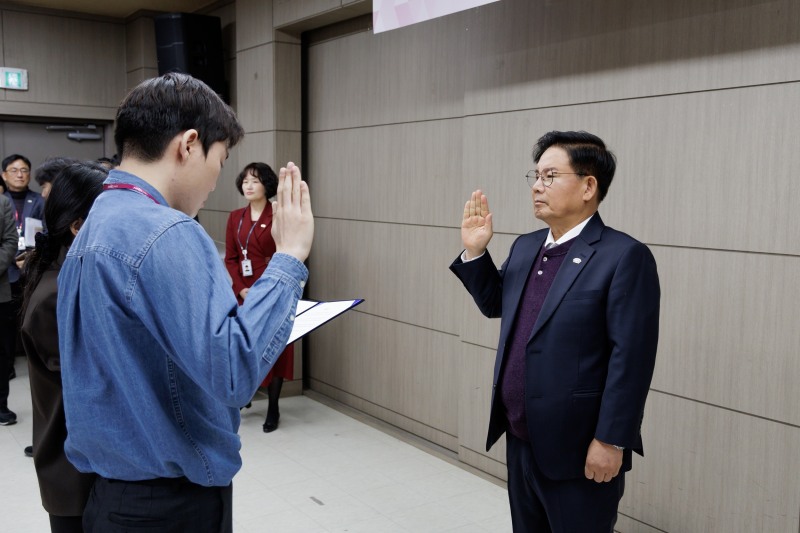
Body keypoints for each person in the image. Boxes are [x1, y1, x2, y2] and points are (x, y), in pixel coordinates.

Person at [57, 72, 314, 532]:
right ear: (189, 144)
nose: (218, 179)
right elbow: (232, 373)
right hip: (168, 506)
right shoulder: (168, 230)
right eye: (221, 159)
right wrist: (289, 257)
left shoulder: (97, 220)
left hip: (111, 496)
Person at [450, 131, 660, 532]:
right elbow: (498, 305)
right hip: (520, 437)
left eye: (549, 176)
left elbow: (631, 358)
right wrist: (476, 252)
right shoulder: (527, 246)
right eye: (535, 176)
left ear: (588, 186)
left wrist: (612, 440)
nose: (536, 187)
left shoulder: (623, 256)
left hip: (580, 448)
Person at [20, 162, 108, 533]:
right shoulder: (57, 295)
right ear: (77, 225)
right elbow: (97, 383)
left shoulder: (69, 276)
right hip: (73, 469)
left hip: (82, 461)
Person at [225, 162, 294, 433]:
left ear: (267, 184)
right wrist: (240, 288)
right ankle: (244, 395)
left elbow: (284, 253)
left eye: (254, 181)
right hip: (244, 290)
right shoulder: (235, 217)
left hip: (272, 287)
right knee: (244, 345)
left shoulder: (278, 214)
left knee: (277, 346)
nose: (249, 186)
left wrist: (265, 289)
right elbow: (231, 258)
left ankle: (274, 406)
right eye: (244, 182)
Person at [2, 154, 45, 377]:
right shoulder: (2, 201)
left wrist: (31, 257)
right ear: (3, 175)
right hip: (6, 270)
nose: (20, 174)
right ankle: (7, 365)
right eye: (14, 170)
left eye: (25, 170)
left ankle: (36, 361)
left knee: (34, 316)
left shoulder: (39, 201)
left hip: (32, 266)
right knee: (7, 323)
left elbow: (45, 233)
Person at [0, 193, 19, 425]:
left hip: (0, 291)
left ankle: (1, 405)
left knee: (1, 352)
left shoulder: (2, 202)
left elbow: (10, 241)